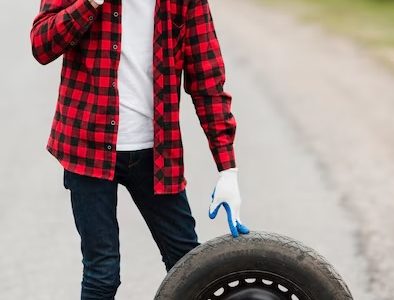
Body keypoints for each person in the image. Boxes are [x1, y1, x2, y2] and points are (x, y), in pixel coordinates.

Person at [30, 0, 249, 298]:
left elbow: (207, 80)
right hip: (87, 148)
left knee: (189, 263)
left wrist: (228, 169)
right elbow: (41, 45)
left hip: (156, 152)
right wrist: (89, 3)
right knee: (102, 273)